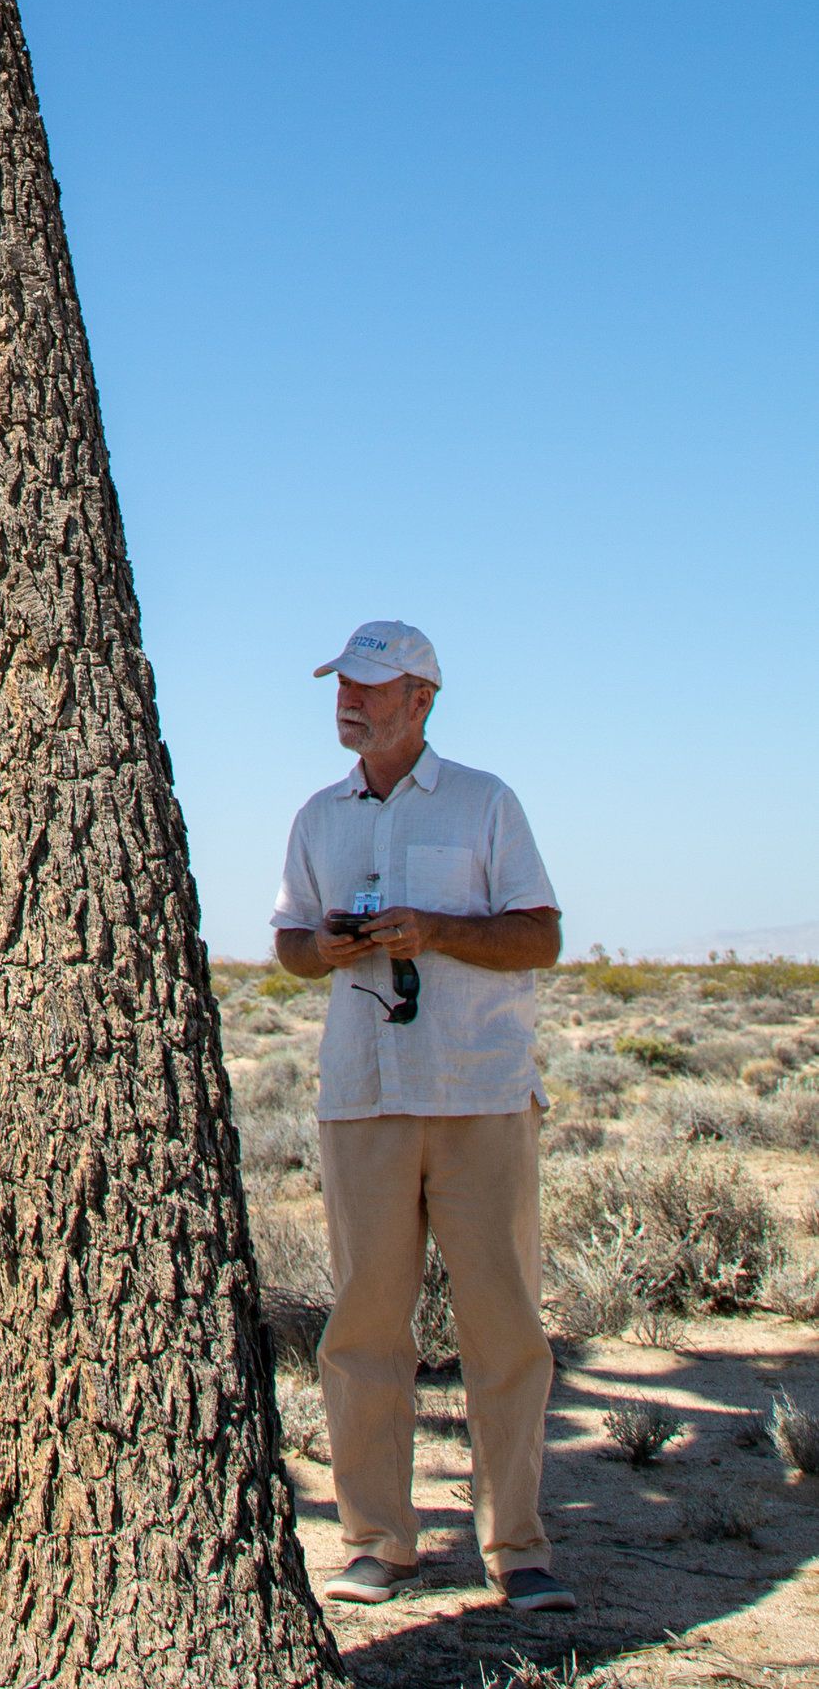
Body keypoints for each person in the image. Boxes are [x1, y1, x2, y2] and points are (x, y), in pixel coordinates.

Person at [271, 619, 571, 1617]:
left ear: (420, 700)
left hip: (479, 1095)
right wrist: (330, 948)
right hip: (363, 1098)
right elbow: (288, 948)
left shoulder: (486, 804)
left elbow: (540, 936)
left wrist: (432, 931)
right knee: (362, 1329)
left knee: (504, 1326)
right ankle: (376, 1545)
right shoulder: (318, 816)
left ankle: (517, 1549)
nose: (347, 701)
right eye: (341, 685)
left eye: (368, 685)